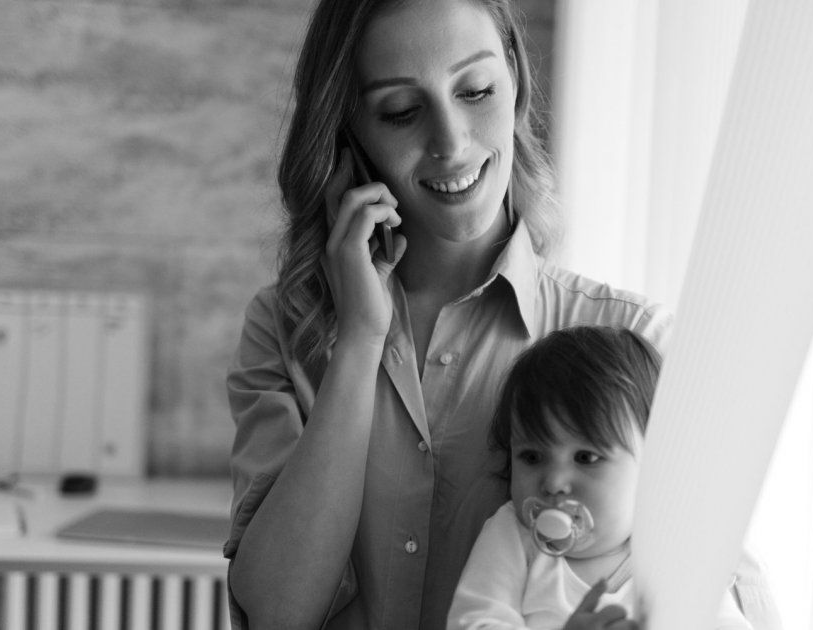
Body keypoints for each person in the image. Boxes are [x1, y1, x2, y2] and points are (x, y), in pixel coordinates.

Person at [222, 0, 768, 628]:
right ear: (350, 136)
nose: (451, 143)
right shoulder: (285, 330)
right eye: (400, 111)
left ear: (515, 84)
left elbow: (722, 598)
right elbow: (277, 614)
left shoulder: (638, 346)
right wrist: (359, 342)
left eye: (476, 90)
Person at [446, 326, 750, 630]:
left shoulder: (674, 551)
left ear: (654, 467)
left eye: (586, 458)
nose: (553, 483)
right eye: (532, 457)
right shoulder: (514, 535)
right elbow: (473, 623)